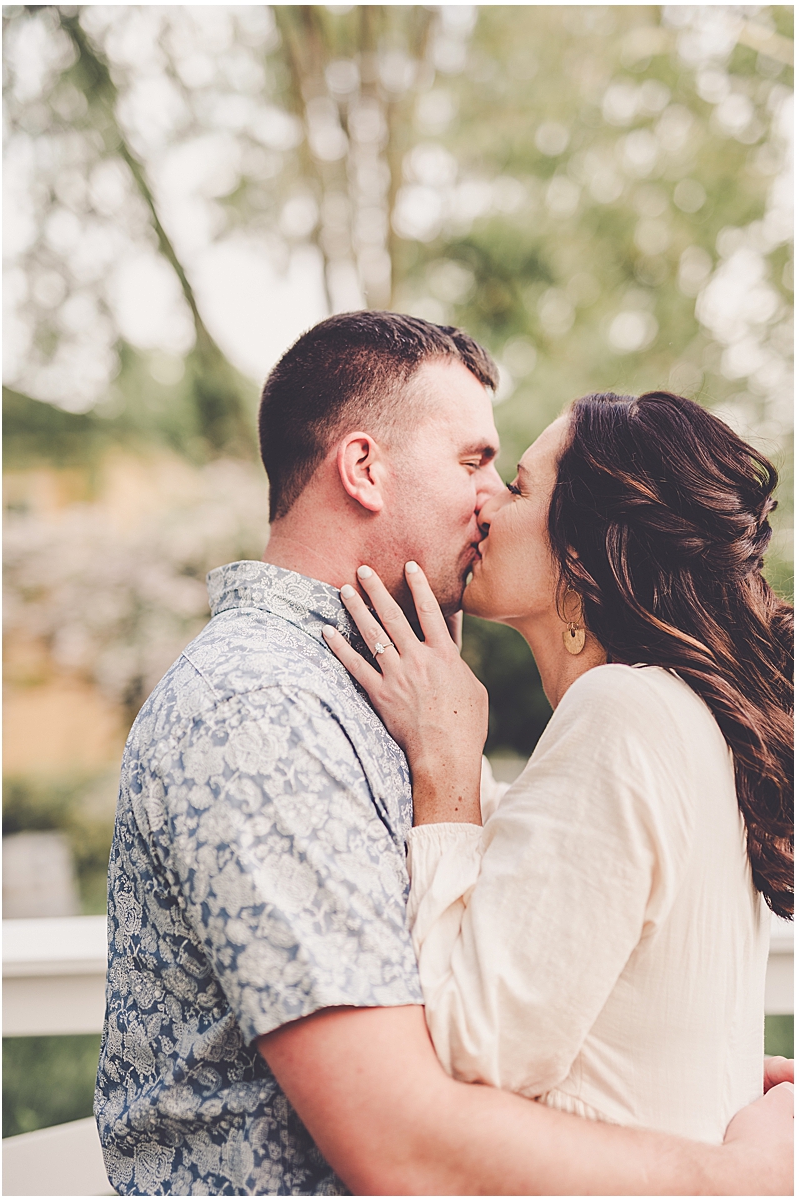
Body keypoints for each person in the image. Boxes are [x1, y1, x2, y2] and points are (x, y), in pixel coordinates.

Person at [94, 311, 793, 1194]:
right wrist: (739, 1178)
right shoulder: (261, 706)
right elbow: (408, 1137)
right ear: (364, 468)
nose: (491, 496)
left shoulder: (398, 698)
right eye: (473, 462)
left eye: (509, 475)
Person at [324, 390, 792, 1142]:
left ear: (580, 549)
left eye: (518, 486)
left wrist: (445, 780)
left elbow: (483, 1049)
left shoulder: (622, 712)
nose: (486, 503)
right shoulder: (677, 715)